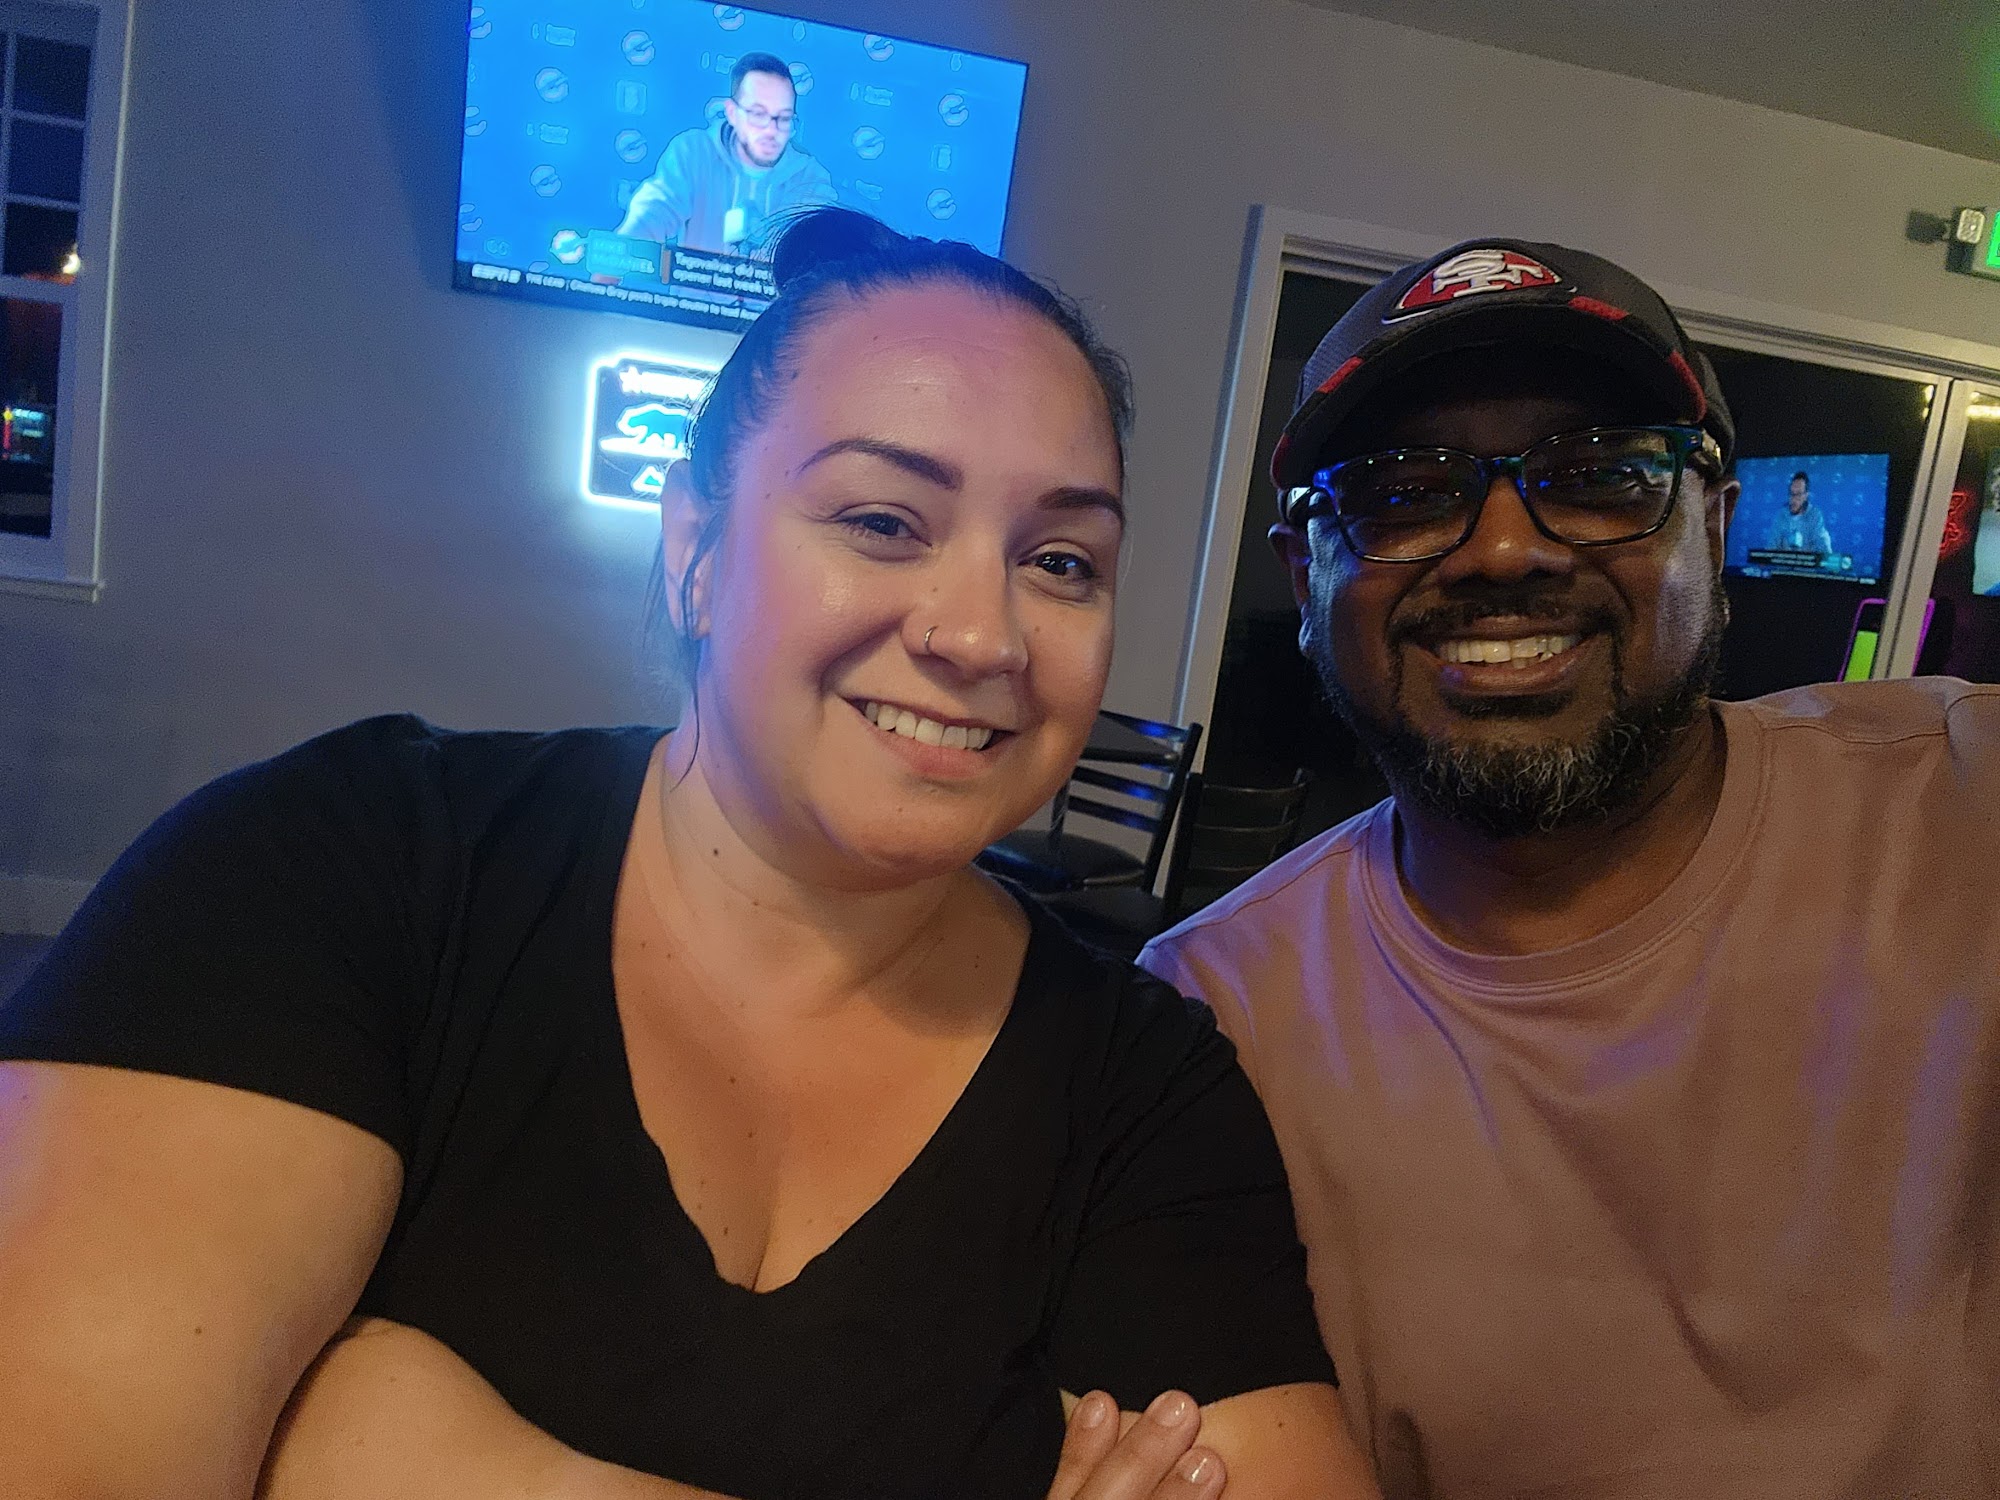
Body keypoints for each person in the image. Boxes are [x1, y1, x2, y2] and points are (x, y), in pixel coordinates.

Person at [0, 210, 1383, 1500]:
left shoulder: (1142, 1088)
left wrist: (443, 1461)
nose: (982, 636)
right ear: (696, 550)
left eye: (1063, 561)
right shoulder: (340, 868)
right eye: (881, 521)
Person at [1141, 238, 2000, 1496]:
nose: (1500, 550)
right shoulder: (1202, 1024)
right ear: (1305, 573)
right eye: (1402, 492)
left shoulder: (1962, 805)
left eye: (1598, 476)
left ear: (1715, 524)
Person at [615, 52, 836, 256]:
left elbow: (819, 254)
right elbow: (653, 213)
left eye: (784, 118)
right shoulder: (693, 151)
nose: (772, 130)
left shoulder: (810, 177)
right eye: (758, 114)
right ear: (732, 113)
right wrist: (615, 264)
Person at [1765, 468, 1833, 556]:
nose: (1793, 499)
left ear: (1806, 496)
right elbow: (1771, 547)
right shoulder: (1781, 515)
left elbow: (1824, 549)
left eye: (1798, 494)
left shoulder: (1815, 515)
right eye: (1791, 493)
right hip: (1784, 564)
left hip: (1807, 564)